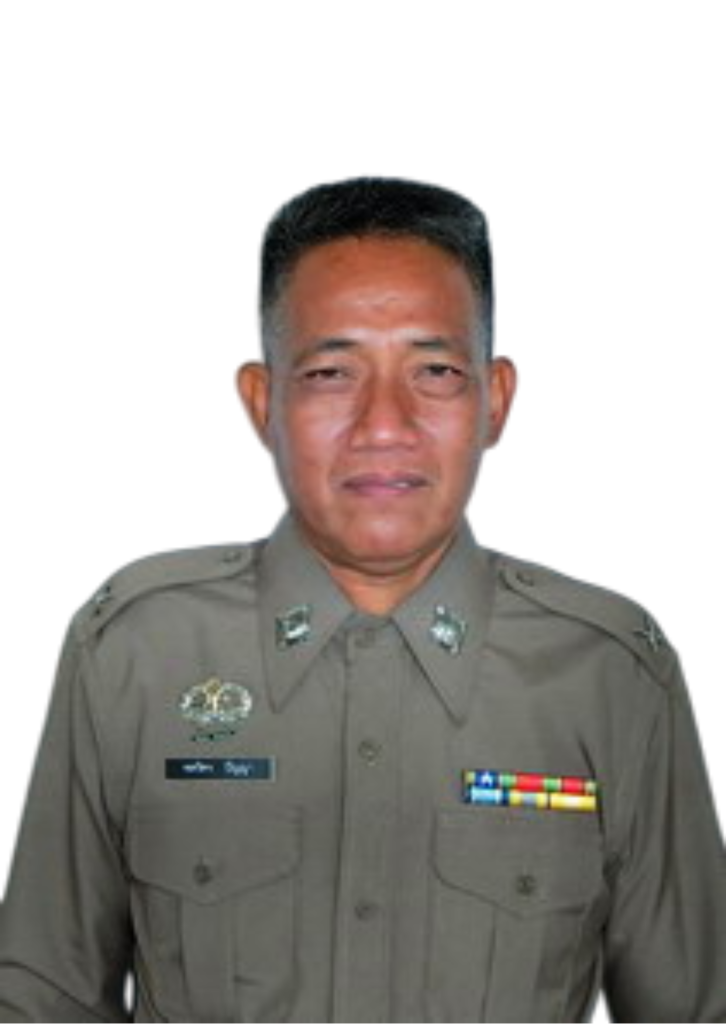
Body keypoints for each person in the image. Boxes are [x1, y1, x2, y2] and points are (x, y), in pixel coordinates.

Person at [0, 177, 724, 1023]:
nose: (384, 424)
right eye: (332, 372)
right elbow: (41, 1000)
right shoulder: (138, 653)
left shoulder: (609, 675)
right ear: (264, 401)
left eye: (435, 371)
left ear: (494, 399)